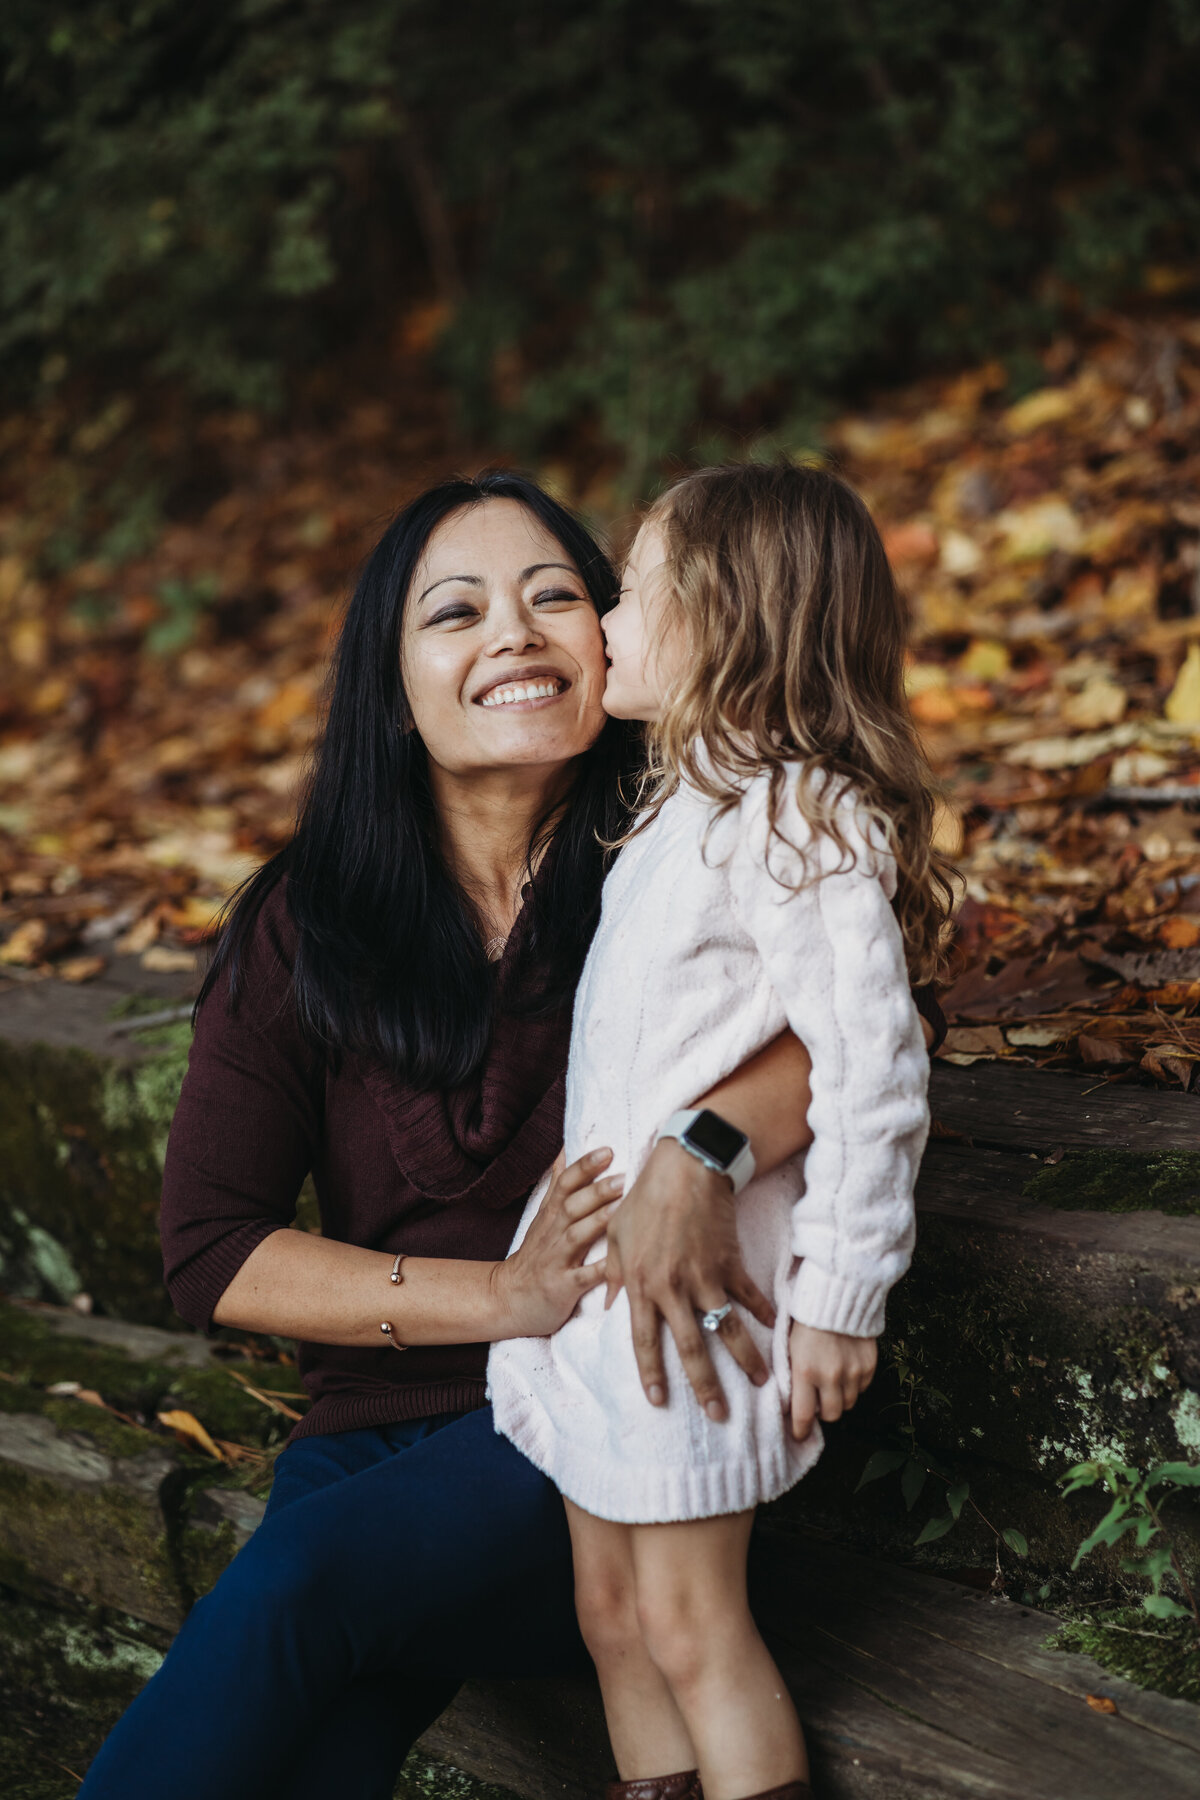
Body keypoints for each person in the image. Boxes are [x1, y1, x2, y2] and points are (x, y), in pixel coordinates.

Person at [79, 470, 942, 1800]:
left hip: (608, 1414)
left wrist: (698, 1149)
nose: (518, 634)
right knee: (325, 1729)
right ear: (392, 676)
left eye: (557, 594)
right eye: (456, 611)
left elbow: (863, 1032)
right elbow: (212, 1252)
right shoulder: (312, 922)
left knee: (304, 1585)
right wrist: (508, 1294)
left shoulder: (681, 844)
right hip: (380, 1430)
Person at [489, 462, 952, 1800]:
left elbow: (873, 1064)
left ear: (733, 624)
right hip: (604, 1302)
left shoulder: (802, 819)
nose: (606, 616)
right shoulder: (681, 807)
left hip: (708, 1311)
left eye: (633, 592)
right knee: (612, 1621)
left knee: (692, 1627)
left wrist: (845, 1298)